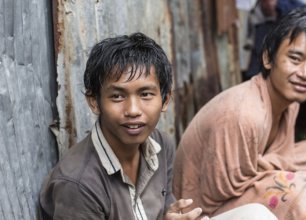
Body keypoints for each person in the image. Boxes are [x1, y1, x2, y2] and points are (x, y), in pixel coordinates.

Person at [173, 8, 306, 220]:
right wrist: (276, 177)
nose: (305, 74)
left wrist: (266, 167)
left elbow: (278, 156)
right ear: (268, 59)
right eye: (295, 59)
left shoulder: (290, 103)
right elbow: (214, 198)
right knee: (291, 194)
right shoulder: (244, 113)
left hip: (240, 193)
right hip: (201, 212)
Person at [40, 33, 209, 220]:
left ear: (165, 100)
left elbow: (165, 206)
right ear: (94, 102)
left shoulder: (161, 146)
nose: (133, 110)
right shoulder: (78, 184)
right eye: (117, 96)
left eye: (145, 94)